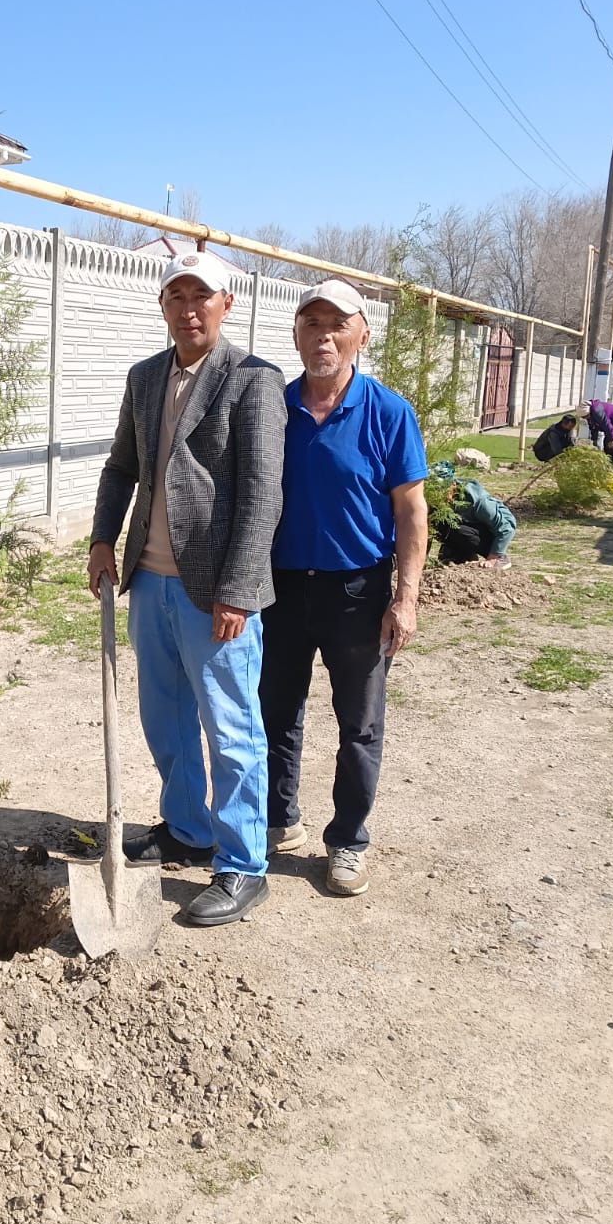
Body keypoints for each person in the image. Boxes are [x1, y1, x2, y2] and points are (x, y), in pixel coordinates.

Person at [87, 252, 286, 928]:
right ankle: (187, 828)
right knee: (165, 720)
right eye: (176, 295)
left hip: (216, 594)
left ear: (225, 303)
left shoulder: (253, 380)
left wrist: (237, 589)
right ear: (164, 305)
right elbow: (120, 469)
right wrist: (101, 541)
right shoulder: (145, 378)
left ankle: (242, 864)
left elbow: (262, 495)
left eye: (201, 295)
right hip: (151, 582)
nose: (188, 308)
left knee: (231, 730)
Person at [258, 279, 427, 897]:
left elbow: (411, 512)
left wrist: (405, 598)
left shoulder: (388, 412)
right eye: (312, 323)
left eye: (337, 324)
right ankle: (280, 819)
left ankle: (348, 842)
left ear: (362, 334)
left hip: (358, 592)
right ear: (295, 334)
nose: (323, 335)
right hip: (279, 589)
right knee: (276, 711)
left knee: (359, 722)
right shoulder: (271, 407)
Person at [434, 476, 517, 568]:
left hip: (495, 535)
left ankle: (500, 558)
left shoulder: (480, 502)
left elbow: (507, 529)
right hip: (473, 527)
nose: (439, 494)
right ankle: (461, 555)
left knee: (458, 530)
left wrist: (493, 557)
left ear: (453, 485)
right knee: (439, 523)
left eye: (442, 490)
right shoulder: (442, 501)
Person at [583, 399, 613, 464]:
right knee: (607, 445)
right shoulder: (590, 415)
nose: (585, 418)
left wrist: (611, 439)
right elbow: (593, 427)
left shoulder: (597, 412)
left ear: (588, 413)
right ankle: (606, 464)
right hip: (612, 424)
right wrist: (594, 441)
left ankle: (610, 466)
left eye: (585, 416)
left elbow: (607, 425)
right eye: (583, 417)